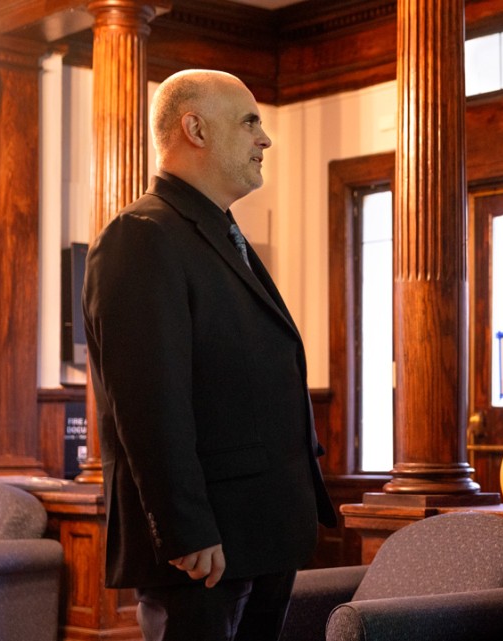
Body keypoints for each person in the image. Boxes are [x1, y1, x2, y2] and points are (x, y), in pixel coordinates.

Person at [82, 69, 336, 641]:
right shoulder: (141, 235)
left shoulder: (219, 233)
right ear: (194, 127)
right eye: (250, 122)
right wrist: (186, 529)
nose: (264, 138)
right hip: (205, 550)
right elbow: (150, 404)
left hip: (260, 531)